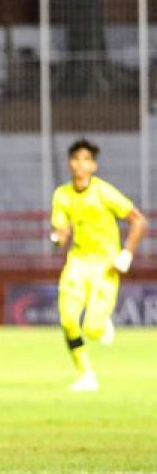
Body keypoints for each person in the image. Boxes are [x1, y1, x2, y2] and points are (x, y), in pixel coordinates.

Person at [49, 138, 146, 392]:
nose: (80, 165)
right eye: (76, 159)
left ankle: (100, 325)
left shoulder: (103, 192)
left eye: (86, 160)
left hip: (105, 265)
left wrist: (126, 254)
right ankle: (85, 374)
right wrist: (57, 239)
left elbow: (138, 220)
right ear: (69, 164)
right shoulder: (62, 195)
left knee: (91, 328)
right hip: (78, 262)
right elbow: (61, 230)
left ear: (93, 166)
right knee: (68, 319)